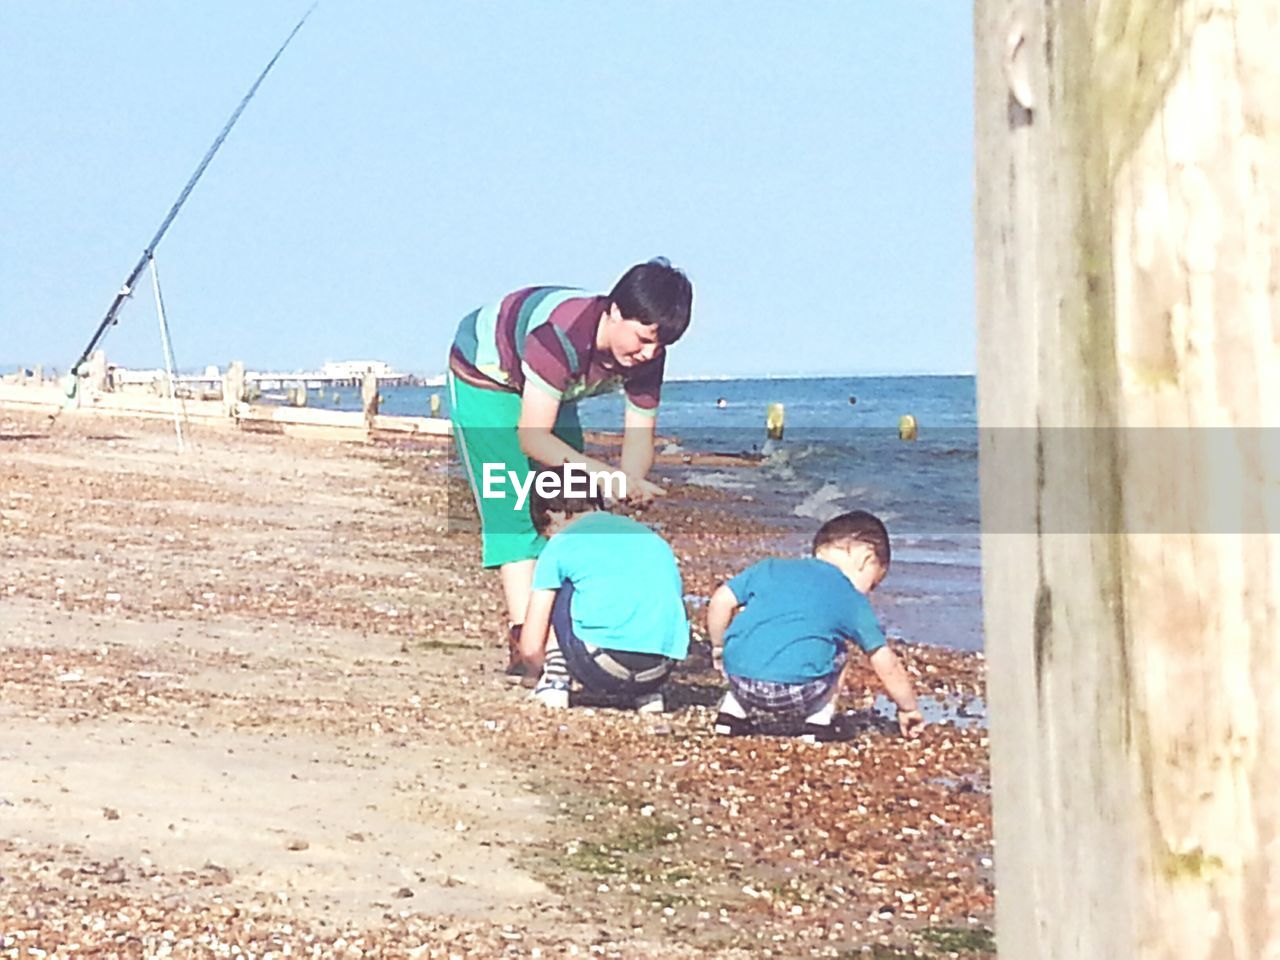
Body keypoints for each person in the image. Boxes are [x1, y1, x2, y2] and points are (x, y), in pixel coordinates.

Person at [446, 259, 693, 668]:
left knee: (571, 504)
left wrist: (629, 484)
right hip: (486, 376)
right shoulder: (559, 335)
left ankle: (573, 629)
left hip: (550, 387)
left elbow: (639, 434)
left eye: (661, 345)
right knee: (510, 505)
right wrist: (604, 475)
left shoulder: (650, 354)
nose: (649, 353)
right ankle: (529, 645)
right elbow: (531, 437)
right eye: (642, 338)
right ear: (614, 311)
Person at [705, 510, 924, 741]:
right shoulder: (848, 595)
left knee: (754, 636)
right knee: (839, 651)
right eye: (873, 584)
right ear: (866, 560)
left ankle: (731, 716)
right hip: (799, 692)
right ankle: (818, 723)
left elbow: (720, 599)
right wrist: (908, 708)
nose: (868, 593)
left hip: (740, 680)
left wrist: (719, 647)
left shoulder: (769, 568)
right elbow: (883, 660)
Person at [514, 467, 689, 712]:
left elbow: (531, 647)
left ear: (552, 515)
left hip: (599, 664)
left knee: (565, 588)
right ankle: (648, 695)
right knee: (642, 587)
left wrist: (533, 670)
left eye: (546, 533)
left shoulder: (562, 543)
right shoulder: (651, 538)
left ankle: (555, 679)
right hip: (659, 668)